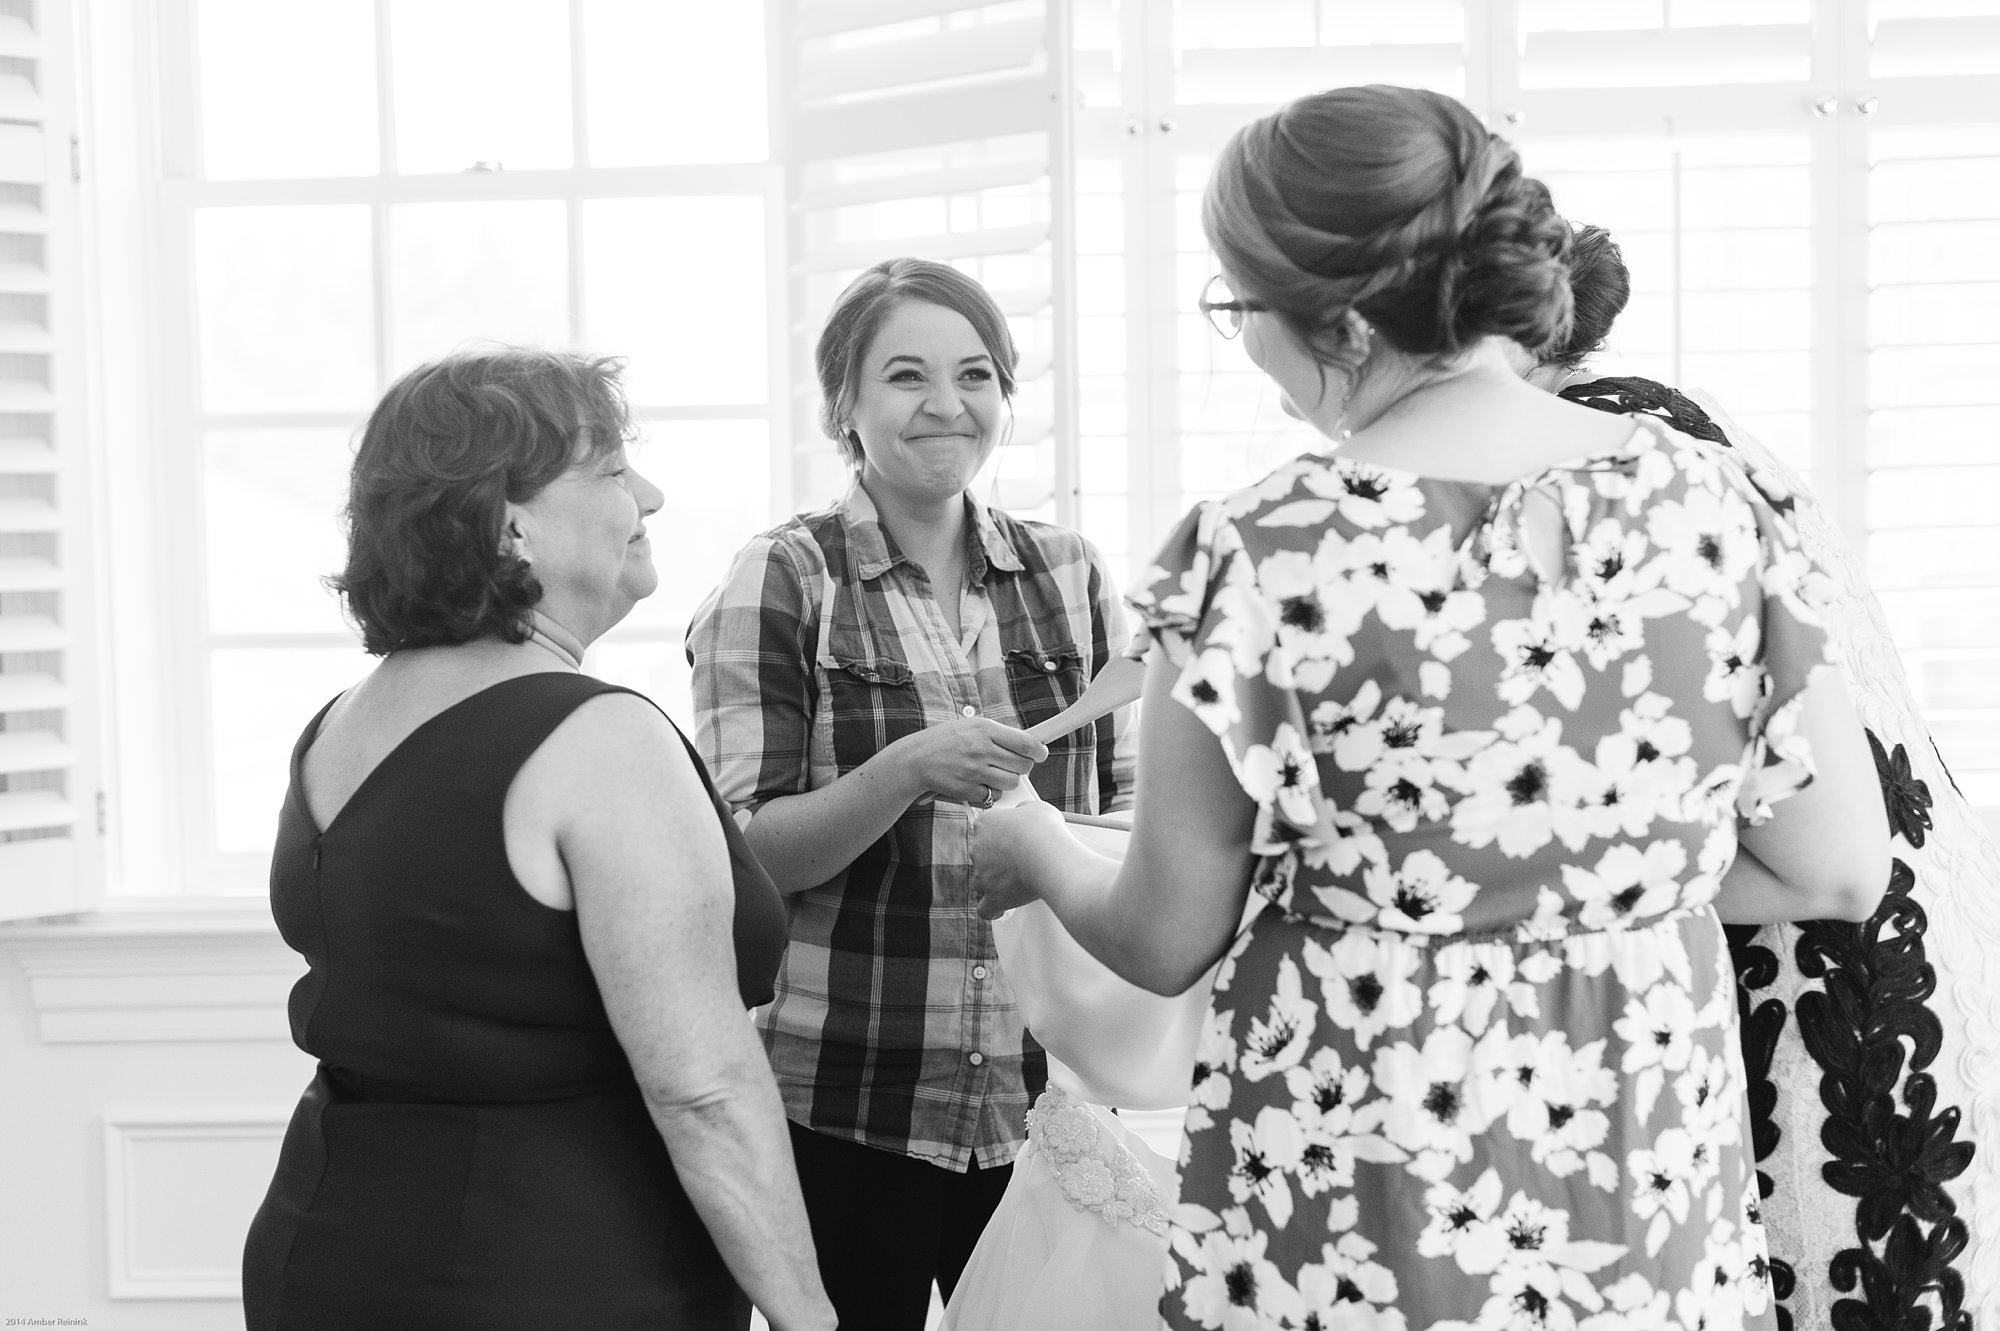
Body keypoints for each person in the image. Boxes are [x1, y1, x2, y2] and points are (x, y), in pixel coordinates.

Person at [972, 84, 1891, 1329]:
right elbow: (1833, 867)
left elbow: (1164, 934)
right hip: (1639, 1170)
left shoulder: (1262, 550)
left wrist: (1025, 836)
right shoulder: (1714, 506)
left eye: (1241, 309)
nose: (1243, 346)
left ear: (1341, 321)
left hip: (1364, 1177)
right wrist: (1568, 874)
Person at [241, 349, 834, 1331]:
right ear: (507, 521)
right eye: (609, 468)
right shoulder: (599, 736)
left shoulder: (341, 722)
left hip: (325, 1248)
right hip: (558, 1274)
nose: (647, 490)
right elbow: (703, 1089)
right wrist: (809, 1314)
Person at [1521, 225, 1998, 1330]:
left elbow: (1798, 850)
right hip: (1911, 943)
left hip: (1822, 995)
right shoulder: (1675, 423)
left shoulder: (1603, 465)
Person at [686, 257, 1136, 1329]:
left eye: (975, 373)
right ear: (842, 400)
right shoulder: (785, 576)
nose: (947, 405)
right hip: (848, 1102)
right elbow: (744, 860)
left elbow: (1123, 816)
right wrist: (900, 772)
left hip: (1046, 1105)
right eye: (904, 376)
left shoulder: (1069, 573)